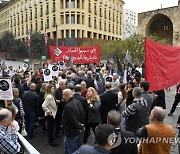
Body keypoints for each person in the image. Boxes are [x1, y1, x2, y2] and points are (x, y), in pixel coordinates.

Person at [62, 89, 86, 154]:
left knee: (72, 151)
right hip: (75, 131)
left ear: (66, 95)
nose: (62, 96)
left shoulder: (68, 106)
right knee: (66, 147)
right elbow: (83, 113)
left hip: (71, 132)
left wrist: (79, 127)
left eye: (63, 94)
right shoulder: (77, 101)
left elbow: (73, 120)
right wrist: (82, 125)